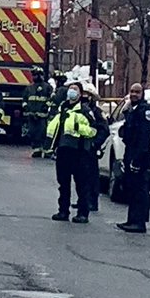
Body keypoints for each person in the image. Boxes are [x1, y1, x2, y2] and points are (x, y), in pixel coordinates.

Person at [47, 81, 98, 223]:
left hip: (79, 151)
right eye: (70, 89)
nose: (72, 92)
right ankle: (63, 211)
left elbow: (93, 130)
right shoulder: (62, 108)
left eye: (75, 89)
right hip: (63, 151)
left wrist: (77, 126)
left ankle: (83, 213)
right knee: (63, 183)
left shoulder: (85, 110)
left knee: (81, 184)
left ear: (80, 94)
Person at [117, 83, 150, 233]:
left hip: (139, 154)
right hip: (130, 151)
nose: (134, 94)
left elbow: (144, 137)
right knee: (132, 188)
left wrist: (138, 159)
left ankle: (139, 222)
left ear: (142, 94)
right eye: (132, 91)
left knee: (140, 189)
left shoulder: (145, 111)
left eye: (137, 92)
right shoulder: (133, 110)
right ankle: (131, 219)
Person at [79, 81, 109, 212]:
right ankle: (83, 200)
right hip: (79, 148)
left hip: (90, 149)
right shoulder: (79, 110)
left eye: (87, 94)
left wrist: (95, 144)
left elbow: (104, 130)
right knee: (81, 176)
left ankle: (92, 201)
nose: (85, 97)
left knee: (92, 176)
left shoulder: (96, 112)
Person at [22, 68, 54, 158]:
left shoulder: (47, 87)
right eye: (33, 75)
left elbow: (51, 98)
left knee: (42, 132)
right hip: (31, 114)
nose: (34, 77)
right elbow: (24, 99)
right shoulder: (29, 87)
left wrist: (46, 106)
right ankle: (36, 149)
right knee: (32, 132)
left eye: (36, 75)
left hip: (42, 115)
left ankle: (44, 149)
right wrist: (25, 107)